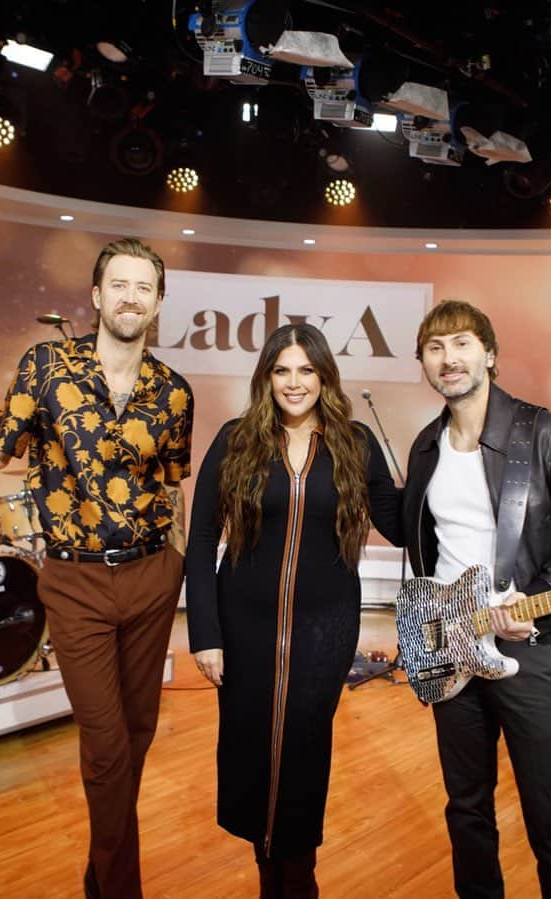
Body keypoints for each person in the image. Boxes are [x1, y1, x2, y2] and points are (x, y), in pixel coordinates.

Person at [0, 238, 193, 899]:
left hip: (151, 577)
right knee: (106, 743)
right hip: (76, 581)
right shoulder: (46, 366)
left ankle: (97, 876)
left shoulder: (173, 392)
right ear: (95, 295)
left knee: (135, 738)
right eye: (118, 284)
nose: (130, 296)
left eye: (144, 286)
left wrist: (183, 566)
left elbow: (172, 488)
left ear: (159, 302)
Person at [401, 300, 551, 899]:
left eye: (462, 343)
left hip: (533, 651)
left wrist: (535, 601)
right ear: (423, 362)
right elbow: (423, 543)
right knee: (466, 810)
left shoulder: (544, 432)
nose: (450, 359)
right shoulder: (425, 446)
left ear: (489, 354)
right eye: (436, 348)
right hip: (454, 649)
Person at [185, 323, 400, 898]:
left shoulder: (355, 441)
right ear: (267, 377)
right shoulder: (237, 438)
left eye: (306, 370)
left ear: (325, 375)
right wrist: (205, 633)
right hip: (243, 627)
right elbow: (202, 537)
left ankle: (299, 881)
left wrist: (438, 463)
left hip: (325, 631)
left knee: (304, 749)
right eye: (282, 370)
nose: (294, 382)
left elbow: (399, 522)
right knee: (252, 747)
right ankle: (268, 877)